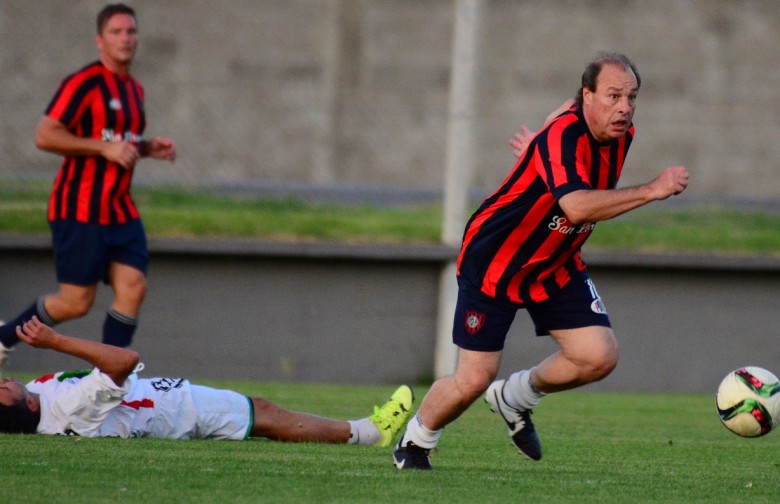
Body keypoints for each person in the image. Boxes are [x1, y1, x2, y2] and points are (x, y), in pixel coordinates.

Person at [393, 52, 689, 470]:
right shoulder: (562, 137)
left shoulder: (617, 131)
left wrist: (540, 146)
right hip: (497, 260)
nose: (624, 107)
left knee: (598, 356)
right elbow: (577, 207)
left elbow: (562, 115)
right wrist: (652, 189)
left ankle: (514, 397)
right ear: (587, 95)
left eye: (631, 97)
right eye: (613, 95)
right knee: (473, 378)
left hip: (556, 260)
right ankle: (416, 440)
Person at [0, 3, 177, 369]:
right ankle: (3, 339)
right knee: (75, 303)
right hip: (79, 208)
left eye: (131, 31)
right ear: (100, 40)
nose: (126, 39)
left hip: (119, 209)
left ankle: (110, 376)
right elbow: (45, 135)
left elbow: (119, 142)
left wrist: (145, 148)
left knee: (134, 287)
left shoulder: (134, 90)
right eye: (116, 32)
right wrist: (103, 147)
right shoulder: (84, 83)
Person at [0, 317, 414, 446]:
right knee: (265, 414)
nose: (3, 382)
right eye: (2, 391)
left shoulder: (36, 397)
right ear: (27, 407)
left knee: (262, 411)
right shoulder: (65, 409)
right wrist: (55, 340)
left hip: (166, 401)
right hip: (179, 413)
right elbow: (123, 360)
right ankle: (368, 433)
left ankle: (362, 432)